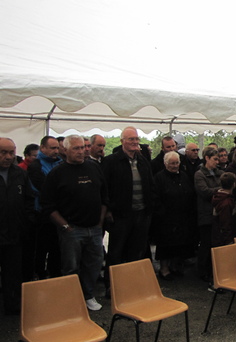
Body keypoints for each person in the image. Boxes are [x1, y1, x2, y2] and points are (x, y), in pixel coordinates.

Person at [41, 135, 108, 311]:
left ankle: (88, 296)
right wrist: (65, 227)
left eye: (83, 148)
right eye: (76, 148)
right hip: (72, 230)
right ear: (66, 150)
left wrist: (100, 222)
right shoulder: (57, 173)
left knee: (93, 265)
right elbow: (47, 205)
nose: (81, 151)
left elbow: (104, 196)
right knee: (70, 268)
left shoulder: (94, 168)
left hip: (94, 228)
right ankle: (71, 300)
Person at [102, 126, 156, 295]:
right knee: (116, 252)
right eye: (130, 139)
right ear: (122, 141)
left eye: (136, 139)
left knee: (136, 251)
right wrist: (108, 210)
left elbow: (151, 185)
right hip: (121, 215)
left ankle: (131, 284)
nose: (134, 142)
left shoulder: (142, 161)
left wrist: (150, 208)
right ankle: (112, 287)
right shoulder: (111, 162)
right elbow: (104, 188)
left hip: (141, 213)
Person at [0, 137, 35, 315]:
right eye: (3, 152)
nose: (8, 156)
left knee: (12, 273)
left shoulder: (19, 173)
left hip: (15, 234)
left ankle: (12, 305)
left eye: (11, 152)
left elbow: (29, 200)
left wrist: (25, 223)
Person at [151, 151, 196, 280]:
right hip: (166, 219)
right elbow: (155, 197)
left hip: (182, 217)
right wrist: (162, 213)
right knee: (166, 246)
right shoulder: (159, 178)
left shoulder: (184, 176)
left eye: (177, 163)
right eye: (172, 163)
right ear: (165, 164)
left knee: (180, 244)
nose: (175, 165)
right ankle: (164, 269)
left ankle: (175, 266)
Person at [28, 135, 63, 279]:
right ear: (42, 148)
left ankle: (55, 275)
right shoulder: (36, 166)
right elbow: (43, 188)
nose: (56, 151)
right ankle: (40, 275)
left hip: (59, 213)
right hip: (42, 215)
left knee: (57, 248)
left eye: (57, 148)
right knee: (41, 249)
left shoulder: (60, 163)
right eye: (52, 148)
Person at [194, 146, 223, 285]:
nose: (217, 162)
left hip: (218, 214)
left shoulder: (220, 173)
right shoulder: (199, 174)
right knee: (206, 243)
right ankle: (203, 271)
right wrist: (221, 190)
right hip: (206, 214)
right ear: (207, 158)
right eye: (215, 159)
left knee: (216, 243)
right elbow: (205, 192)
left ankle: (214, 270)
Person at [211, 172, 236, 246]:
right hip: (224, 240)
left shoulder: (217, 196)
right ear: (233, 184)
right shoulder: (226, 203)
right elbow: (226, 224)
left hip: (218, 236)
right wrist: (229, 241)